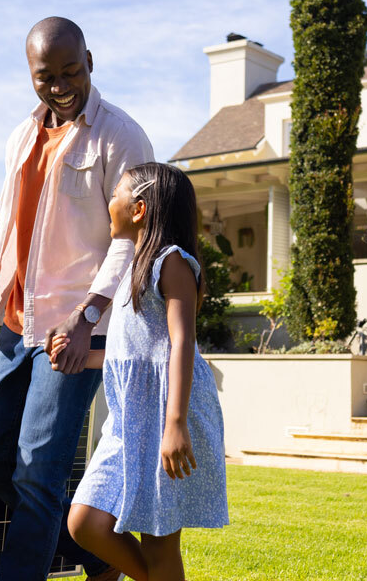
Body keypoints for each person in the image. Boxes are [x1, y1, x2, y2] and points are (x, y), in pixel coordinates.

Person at [0, 16, 153, 581]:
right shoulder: (20, 137)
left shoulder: (122, 136)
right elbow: (7, 230)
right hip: (18, 324)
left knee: (39, 473)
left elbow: (131, 239)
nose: (60, 85)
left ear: (90, 61)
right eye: (46, 76)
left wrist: (88, 319)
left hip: (76, 331)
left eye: (70, 70)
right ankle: (95, 555)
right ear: (30, 75)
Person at [51, 162, 228, 581]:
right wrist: (80, 357)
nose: (108, 202)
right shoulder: (132, 269)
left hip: (167, 415)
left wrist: (175, 423)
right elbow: (134, 354)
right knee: (85, 522)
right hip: (129, 421)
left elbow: (182, 343)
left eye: (115, 194)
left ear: (139, 209)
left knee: (158, 540)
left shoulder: (172, 263)